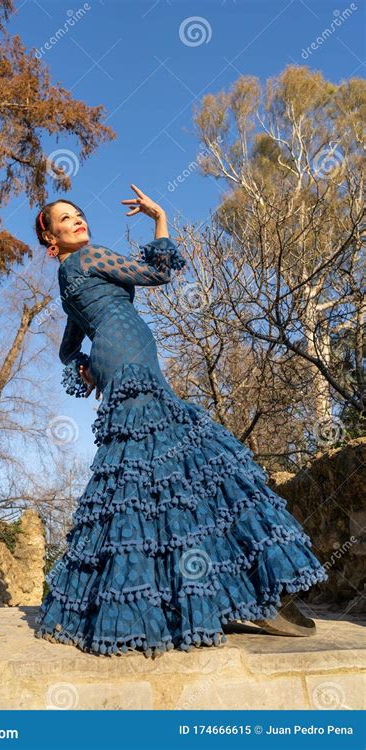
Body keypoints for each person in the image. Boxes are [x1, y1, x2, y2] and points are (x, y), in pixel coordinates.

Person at [33, 185, 327, 659]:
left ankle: (198, 595)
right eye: (65, 219)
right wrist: (160, 218)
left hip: (121, 362)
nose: (78, 221)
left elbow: (68, 348)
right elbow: (157, 272)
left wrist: (88, 365)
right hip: (131, 364)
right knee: (191, 462)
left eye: (80, 214)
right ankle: (238, 592)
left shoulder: (69, 277)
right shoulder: (88, 259)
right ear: (52, 238)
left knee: (150, 475)